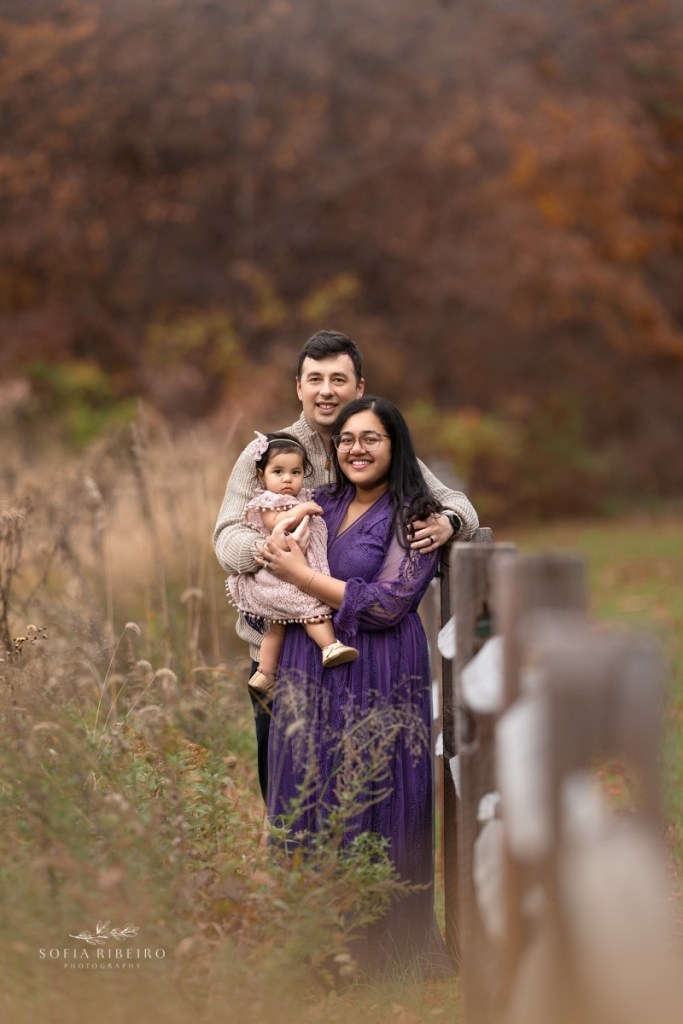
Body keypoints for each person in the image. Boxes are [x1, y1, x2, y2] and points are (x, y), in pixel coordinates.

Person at [213, 330, 478, 800]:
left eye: (339, 378)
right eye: (315, 379)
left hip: (363, 654)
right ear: (299, 386)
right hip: (280, 652)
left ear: (359, 387)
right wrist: (274, 553)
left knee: (359, 789)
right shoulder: (268, 453)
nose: (326, 390)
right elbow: (226, 536)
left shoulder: (373, 442)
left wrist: (450, 522)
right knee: (288, 796)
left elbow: (453, 501)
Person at [260, 396, 452, 976]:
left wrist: (302, 576)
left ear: (395, 447)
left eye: (371, 438)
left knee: (375, 790)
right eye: (346, 439)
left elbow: (392, 602)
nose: (356, 449)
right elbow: (256, 538)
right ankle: (308, 950)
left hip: (380, 667)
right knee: (305, 791)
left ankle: (379, 953)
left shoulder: (413, 515)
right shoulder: (320, 499)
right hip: (305, 666)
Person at [226, 430, 358, 696]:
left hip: (290, 570)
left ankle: (264, 674)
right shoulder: (267, 502)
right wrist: (304, 509)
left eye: (295, 473)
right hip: (278, 575)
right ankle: (329, 646)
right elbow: (280, 523)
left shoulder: (295, 497)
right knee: (310, 609)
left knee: (276, 629)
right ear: (262, 476)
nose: (288, 479)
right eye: (278, 472)